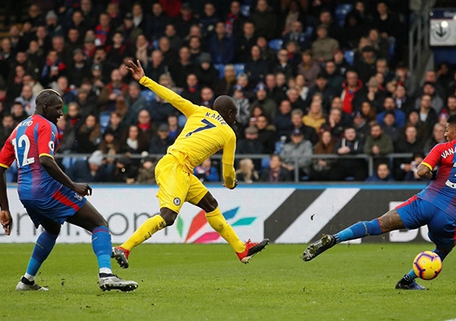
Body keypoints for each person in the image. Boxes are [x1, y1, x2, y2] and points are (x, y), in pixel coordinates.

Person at [302, 111, 456, 290]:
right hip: (448, 216)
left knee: (376, 225)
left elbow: (421, 171)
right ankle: (407, 280)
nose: (445, 134)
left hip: (424, 203)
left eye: (447, 130)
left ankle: (334, 238)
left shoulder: (441, 148)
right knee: (445, 247)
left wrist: (433, 174)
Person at [112, 60, 269, 269]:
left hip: (177, 167)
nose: (235, 119)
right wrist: (231, 184)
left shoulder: (198, 111)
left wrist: (144, 79)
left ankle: (241, 249)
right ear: (230, 114)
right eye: (235, 115)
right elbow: (228, 170)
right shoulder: (229, 134)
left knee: (210, 204)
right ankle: (124, 248)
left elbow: (172, 97)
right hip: (176, 167)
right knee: (168, 217)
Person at [0, 89, 137, 292]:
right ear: (45, 107)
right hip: (46, 189)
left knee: (52, 229)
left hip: (25, 192)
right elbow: (46, 160)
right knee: (99, 224)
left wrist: (4, 207)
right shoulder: (47, 125)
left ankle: (27, 280)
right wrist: (73, 186)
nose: (61, 113)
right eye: (57, 108)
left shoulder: (18, 128)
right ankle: (106, 275)